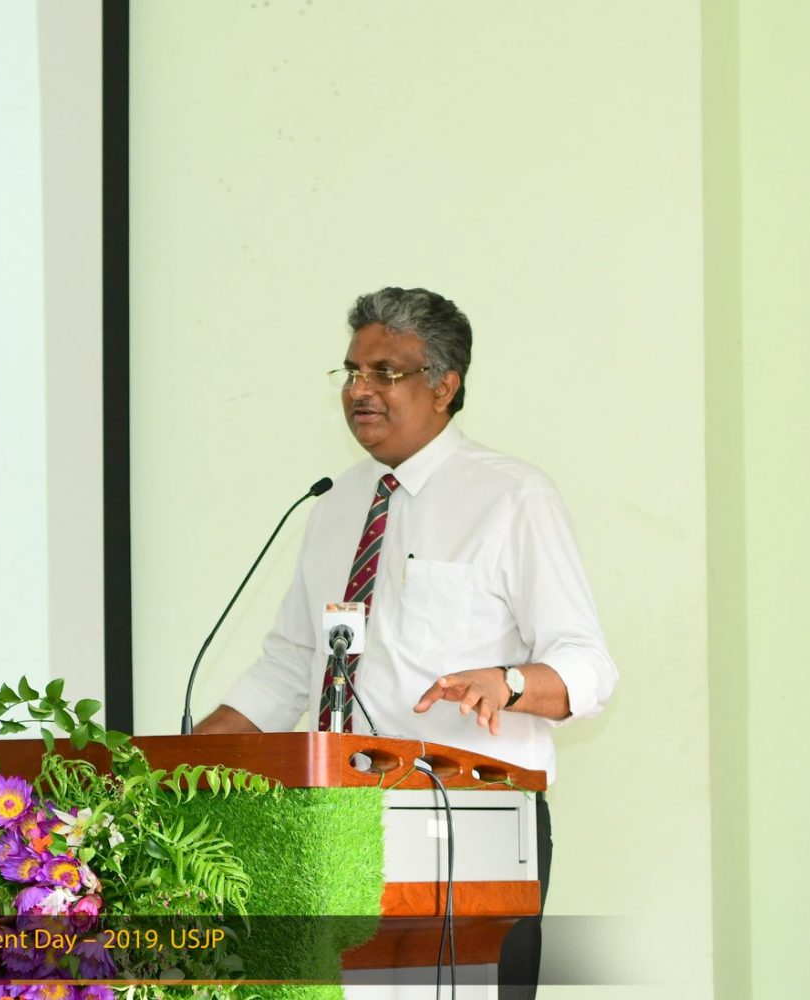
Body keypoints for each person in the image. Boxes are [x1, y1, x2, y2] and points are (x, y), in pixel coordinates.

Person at [195, 286, 618, 998]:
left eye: (384, 372)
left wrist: (507, 682)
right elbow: (291, 667)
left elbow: (589, 665)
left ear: (444, 386)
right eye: (352, 372)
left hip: (470, 830)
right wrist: (181, 760)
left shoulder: (511, 497)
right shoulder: (334, 505)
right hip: (335, 829)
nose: (359, 390)